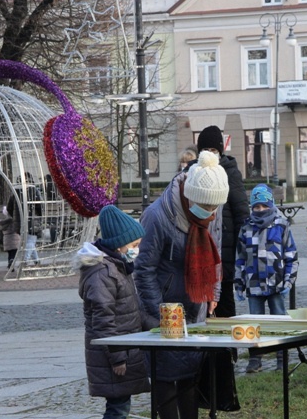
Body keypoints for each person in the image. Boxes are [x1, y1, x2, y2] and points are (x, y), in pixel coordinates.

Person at [134, 150, 229, 419]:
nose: (212, 214)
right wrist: (162, 314)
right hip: (164, 312)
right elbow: (144, 271)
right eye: (207, 208)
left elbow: (216, 251)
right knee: (165, 379)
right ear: (190, 196)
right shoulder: (158, 217)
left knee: (190, 377)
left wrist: (215, 291)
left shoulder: (211, 208)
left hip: (196, 306)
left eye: (215, 208)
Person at [75, 204, 158, 419]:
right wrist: (118, 357)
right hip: (114, 355)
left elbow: (131, 311)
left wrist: (157, 327)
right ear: (119, 245)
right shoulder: (103, 273)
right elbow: (104, 321)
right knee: (118, 408)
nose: (136, 249)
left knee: (121, 405)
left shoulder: (118, 267)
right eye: (134, 244)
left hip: (122, 349)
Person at [234, 183, 298, 372]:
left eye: (264, 206)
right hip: (253, 285)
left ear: (271, 205)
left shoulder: (281, 226)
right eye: (256, 206)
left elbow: (291, 256)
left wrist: (288, 280)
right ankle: (255, 358)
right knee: (254, 322)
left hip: (276, 283)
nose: (260, 210)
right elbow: (240, 258)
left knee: (279, 319)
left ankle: (281, 356)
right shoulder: (246, 228)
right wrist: (238, 284)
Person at [192, 125, 249, 318]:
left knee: (224, 301)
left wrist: (241, 250)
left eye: (213, 150)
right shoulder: (193, 171)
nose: (209, 155)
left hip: (225, 247)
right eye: (205, 150)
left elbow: (241, 212)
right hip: (199, 244)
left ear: (220, 152)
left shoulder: (230, 172)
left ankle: (227, 348)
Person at [7, 172, 43, 264]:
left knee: (29, 241)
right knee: (31, 240)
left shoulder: (15, 192)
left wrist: (15, 217)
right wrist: (40, 215)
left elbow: (9, 208)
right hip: (32, 220)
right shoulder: (34, 190)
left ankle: (36, 260)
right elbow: (40, 206)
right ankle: (25, 260)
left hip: (20, 221)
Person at [0, 206, 21, 271]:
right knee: (14, 253)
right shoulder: (13, 221)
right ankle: (12, 262)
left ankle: (9, 264)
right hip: (14, 238)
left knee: (10, 253)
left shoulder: (3, 223)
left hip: (7, 239)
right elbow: (16, 228)